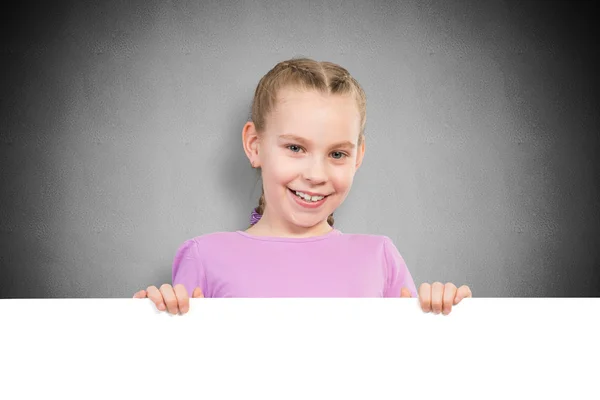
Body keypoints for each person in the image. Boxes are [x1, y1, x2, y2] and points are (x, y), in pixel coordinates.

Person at [133, 57, 472, 315]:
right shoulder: (204, 257)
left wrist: (440, 316)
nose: (315, 174)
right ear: (254, 144)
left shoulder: (380, 258)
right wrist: (147, 323)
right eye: (295, 148)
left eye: (337, 153)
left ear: (358, 157)